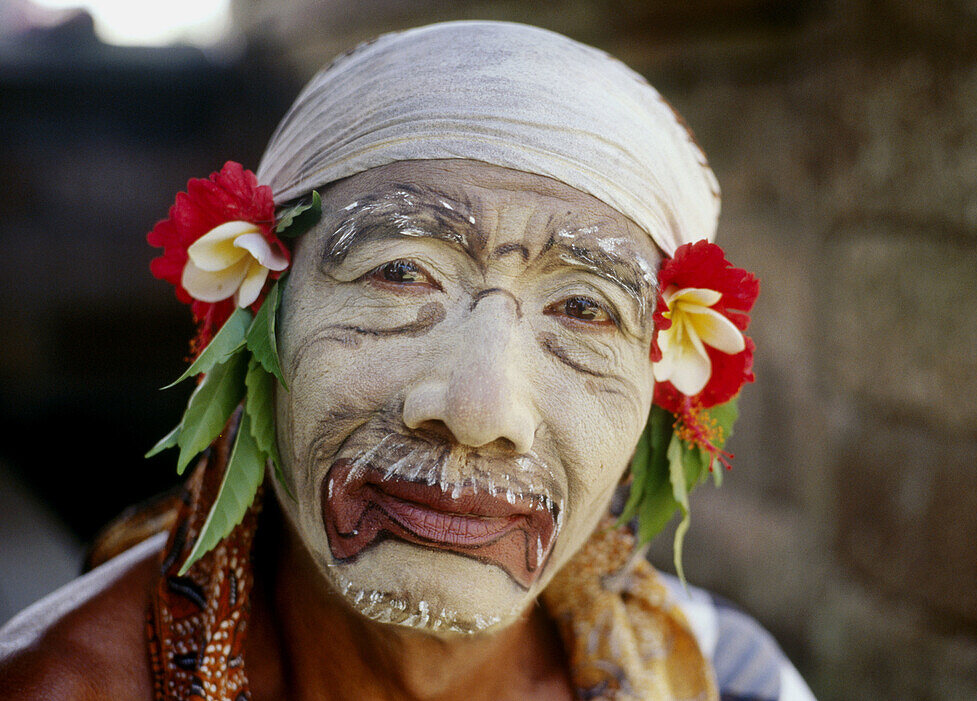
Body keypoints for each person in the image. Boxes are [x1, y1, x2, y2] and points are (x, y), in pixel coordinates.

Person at [0, 21, 815, 700]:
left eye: (583, 309)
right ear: (258, 319)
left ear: (660, 387)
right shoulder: (61, 687)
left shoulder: (733, 677)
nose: (479, 410)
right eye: (399, 271)